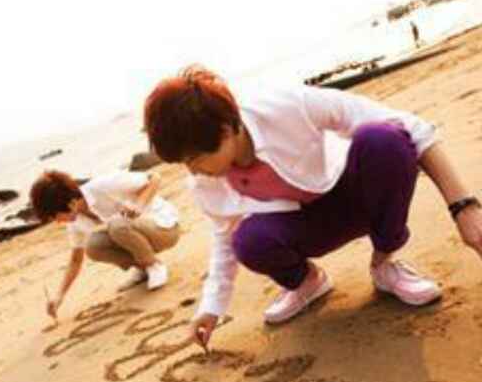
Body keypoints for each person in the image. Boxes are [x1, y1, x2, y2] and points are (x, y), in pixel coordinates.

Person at [143, 66, 482, 348]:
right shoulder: (206, 182)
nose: (192, 170)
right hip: (309, 225)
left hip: (359, 194)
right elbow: (222, 238)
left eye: (195, 157)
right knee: (247, 241)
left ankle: (384, 264)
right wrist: (211, 308)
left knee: (383, 140)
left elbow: (413, 127)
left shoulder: (284, 104)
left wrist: (463, 208)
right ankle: (308, 282)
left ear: (226, 129)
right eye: (183, 162)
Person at [30, 169, 180, 320]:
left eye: (56, 216)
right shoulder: (75, 222)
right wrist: (59, 297)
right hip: (137, 236)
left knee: (117, 224)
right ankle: (144, 268)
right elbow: (75, 260)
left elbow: (154, 177)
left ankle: (153, 265)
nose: (58, 222)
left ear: (71, 203)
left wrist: (138, 205)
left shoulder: (102, 186)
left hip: (164, 228)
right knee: (93, 246)